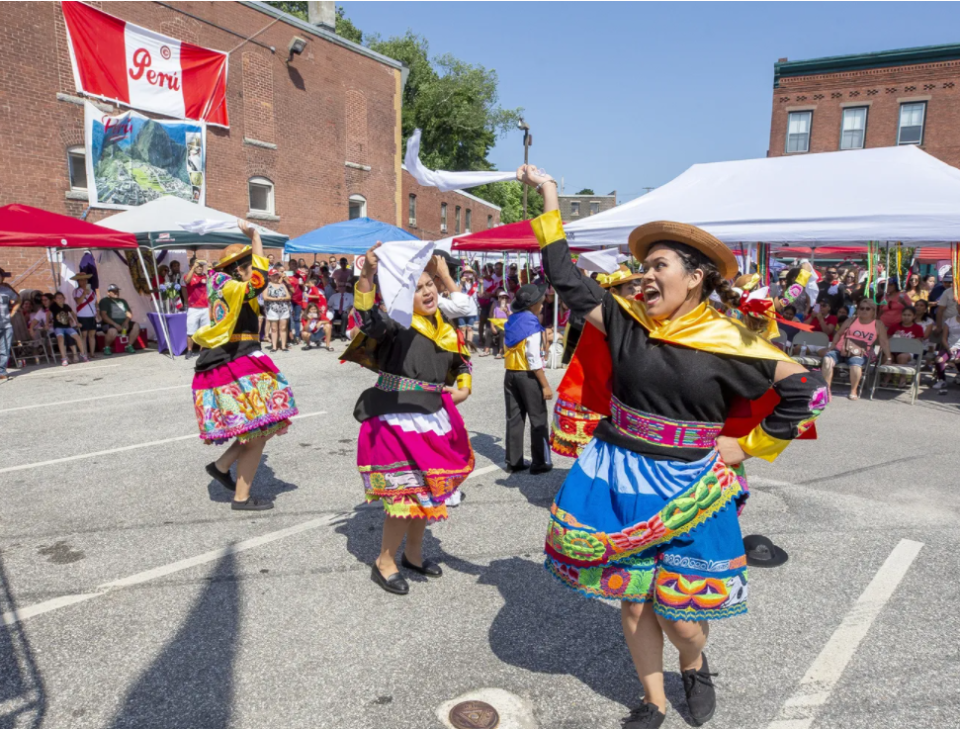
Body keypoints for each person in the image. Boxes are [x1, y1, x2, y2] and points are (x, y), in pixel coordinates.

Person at [518, 164, 828, 729]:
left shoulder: (733, 339)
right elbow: (563, 275)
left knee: (682, 615)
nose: (646, 276)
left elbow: (809, 391)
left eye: (658, 266)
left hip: (693, 485)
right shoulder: (625, 319)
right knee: (634, 600)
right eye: (643, 266)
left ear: (696, 277)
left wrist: (749, 445)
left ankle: (694, 661)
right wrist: (548, 195)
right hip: (620, 474)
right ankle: (654, 700)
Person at [347, 242, 474, 595]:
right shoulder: (396, 322)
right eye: (418, 289)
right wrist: (368, 275)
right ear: (405, 295)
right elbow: (367, 320)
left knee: (429, 491)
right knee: (404, 494)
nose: (428, 292)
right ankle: (384, 561)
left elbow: (461, 359)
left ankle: (414, 555)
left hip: (432, 414)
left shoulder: (444, 322)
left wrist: (463, 384)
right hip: (395, 416)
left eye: (429, 284)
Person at [191, 221, 298, 511]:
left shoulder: (226, 285)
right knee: (260, 429)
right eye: (251, 263)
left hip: (240, 358)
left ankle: (223, 466)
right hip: (233, 361)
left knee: (261, 426)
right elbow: (258, 283)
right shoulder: (227, 284)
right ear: (239, 267)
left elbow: (256, 286)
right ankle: (239, 494)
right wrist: (256, 237)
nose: (257, 268)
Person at [503, 283, 554, 475]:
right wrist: (545, 385)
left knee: (514, 418)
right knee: (538, 417)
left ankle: (513, 460)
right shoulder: (532, 324)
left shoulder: (512, 320)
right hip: (528, 375)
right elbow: (533, 359)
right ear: (533, 304)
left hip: (510, 373)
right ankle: (540, 461)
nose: (543, 302)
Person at [822, 297, 892, 400]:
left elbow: (884, 342)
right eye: (861, 308)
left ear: (873, 311)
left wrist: (889, 358)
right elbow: (839, 333)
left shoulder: (878, 324)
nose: (864, 310)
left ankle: (853, 390)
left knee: (855, 365)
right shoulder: (851, 320)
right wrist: (832, 346)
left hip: (860, 353)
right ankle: (826, 390)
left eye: (867, 309)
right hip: (840, 349)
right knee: (827, 360)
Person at [98, 284, 140, 354]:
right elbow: (103, 316)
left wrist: (126, 322)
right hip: (109, 324)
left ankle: (129, 345)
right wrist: (115, 324)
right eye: (114, 291)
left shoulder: (122, 301)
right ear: (108, 293)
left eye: (117, 291)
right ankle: (107, 347)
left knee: (136, 326)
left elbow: (129, 313)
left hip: (123, 323)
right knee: (112, 331)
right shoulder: (104, 301)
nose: (116, 293)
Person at [49, 291, 88, 366]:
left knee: (77, 337)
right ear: (54, 299)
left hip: (67, 326)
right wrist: (47, 323)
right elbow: (48, 314)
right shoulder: (53, 306)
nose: (60, 299)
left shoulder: (66, 306)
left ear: (64, 299)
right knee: (61, 338)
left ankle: (83, 354)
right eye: (58, 298)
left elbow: (73, 313)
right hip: (58, 327)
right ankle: (64, 358)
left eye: (61, 298)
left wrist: (76, 322)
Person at [184, 257, 210, 360]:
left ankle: (202, 351)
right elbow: (186, 281)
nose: (200, 268)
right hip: (193, 308)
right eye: (197, 266)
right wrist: (193, 268)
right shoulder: (189, 275)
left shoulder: (205, 276)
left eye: (201, 266)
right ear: (192, 266)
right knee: (191, 331)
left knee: (204, 331)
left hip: (205, 308)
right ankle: (189, 350)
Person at [263, 267, 292, 352]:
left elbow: (289, 296)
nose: (276, 277)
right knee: (274, 328)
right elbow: (265, 297)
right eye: (274, 275)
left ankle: (283, 346)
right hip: (272, 309)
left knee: (283, 328)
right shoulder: (267, 285)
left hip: (283, 308)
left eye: (277, 275)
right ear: (270, 277)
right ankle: (274, 346)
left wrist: (282, 299)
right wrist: (276, 299)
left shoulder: (282, 285)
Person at [71, 272, 98, 358]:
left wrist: (98, 312)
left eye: (84, 280)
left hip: (92, 315)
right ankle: (85, 353)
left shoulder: (92, 292)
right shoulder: (76, 291)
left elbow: (96, 303)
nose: (83, 282)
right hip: (82, 316)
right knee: (84, 335)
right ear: (78, 281)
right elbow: (78, 302)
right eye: (81, 280)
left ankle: (92, 353)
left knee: (92, 335)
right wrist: (84, 294)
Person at [933, 306, 960, 393]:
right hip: (949, 347)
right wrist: (948, 348)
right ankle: (942, 380)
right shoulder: (950, 321)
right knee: (938, 360)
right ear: (957, 307)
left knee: (957, 360)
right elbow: (944, 338)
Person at [0, 268, 20, 380]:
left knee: (4, 350)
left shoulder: (6, 290)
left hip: (6, 324)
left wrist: (13, 312)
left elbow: (18, 299)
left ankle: (1, 371)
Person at [457, 266, 480, 351]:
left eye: (469, 273)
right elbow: (457, 293)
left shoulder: (475, 284)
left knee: (470, 328)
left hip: (472, 309)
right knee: (462, 329)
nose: (467, 274)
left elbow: (480, 295)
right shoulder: (458, 283)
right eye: (466, 272)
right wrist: (461, 284)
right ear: (462, 274)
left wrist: (481, 285)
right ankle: (463, 346)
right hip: (461, 308)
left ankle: (469, 346)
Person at [489, 290, 511, 359]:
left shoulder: (509, 306)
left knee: (502, 332)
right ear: (498, 298)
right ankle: (486, 349)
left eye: (505, 298)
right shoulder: (496, 307)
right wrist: (492, 327)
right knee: (488, 331)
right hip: (498, 324)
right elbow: (493, 318)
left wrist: (506, 311)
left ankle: (500, 352)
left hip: (507, 325)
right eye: (501, 297)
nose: (503, 299)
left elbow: (511, 318)